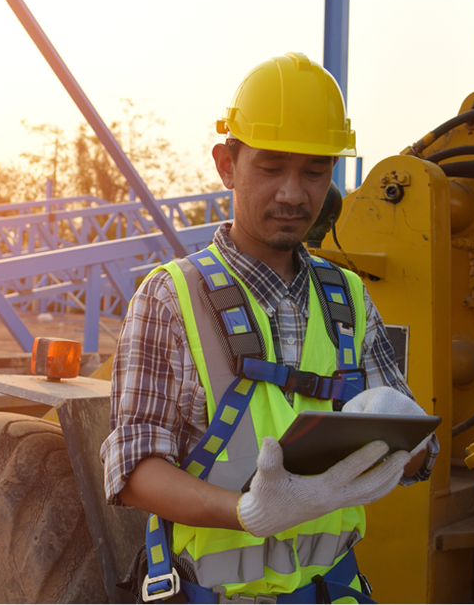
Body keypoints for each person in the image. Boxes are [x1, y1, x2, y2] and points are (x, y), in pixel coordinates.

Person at [100, 52, 439, 604]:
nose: (292, 193)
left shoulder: (348, 297)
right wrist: (247, 512)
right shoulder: (171, 298)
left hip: (333, 590)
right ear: (226, 164)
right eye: (271, 167)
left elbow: (419, 452)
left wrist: (409, 441)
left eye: (314, 171)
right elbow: (134, 470)